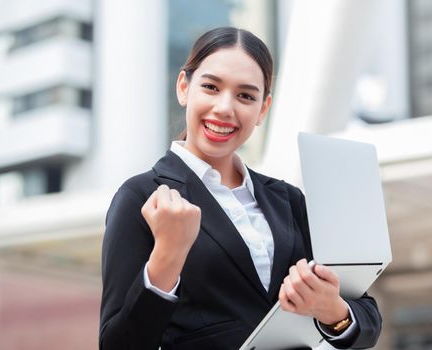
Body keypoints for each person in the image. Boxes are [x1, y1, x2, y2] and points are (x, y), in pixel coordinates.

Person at [99, 27, 381, 350]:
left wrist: (330, 308)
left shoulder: (288, 200)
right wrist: (166, 258)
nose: (224, 108)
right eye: (210, 87)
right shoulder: (141, 198)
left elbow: (368, 317)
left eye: (245, 95)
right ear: (183, 87)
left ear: (263, 108)